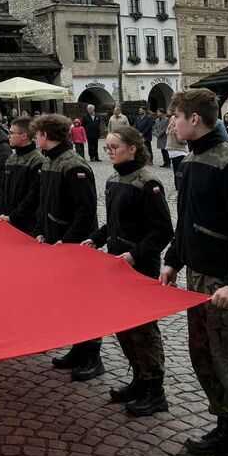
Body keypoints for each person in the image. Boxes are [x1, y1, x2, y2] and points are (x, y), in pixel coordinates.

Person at [160, 89, 228, 456]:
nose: (171, 123)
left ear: (195, 119)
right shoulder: (192, 162)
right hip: (197, 277)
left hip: (226, 282)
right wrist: (173, 259)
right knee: (204, 356)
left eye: (176, 116)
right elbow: (187, 219)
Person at [84, 125, 173, 417]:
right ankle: (138, 379)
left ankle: (154, 389)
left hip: (140, 266)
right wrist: (96, 239)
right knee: (124, 328)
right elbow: (114, 223)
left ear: (133, 148)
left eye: (114, 148)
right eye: (106, 148)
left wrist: (135, 255)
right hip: (117, 263)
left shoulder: (148, 183)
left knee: (143, 329)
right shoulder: (112, 179)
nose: (108, 152)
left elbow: (163, 231)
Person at [32, 113, 102, 381]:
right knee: (68, 301)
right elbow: (44, 202)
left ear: (46, 136)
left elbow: (85, 210)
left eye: (38, 134)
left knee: (84, 301)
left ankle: (92, 355)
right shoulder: (50, 161)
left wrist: (69, 240)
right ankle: (77, 347)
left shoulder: (74, 165)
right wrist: (40, 230)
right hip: (53, 241)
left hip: (74, 246)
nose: (36, 138)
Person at [0, 117, 45, 233]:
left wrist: (13, 217)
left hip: (26, 224)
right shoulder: (11, 158)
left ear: (23, 136)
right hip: (6, 221)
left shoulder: (37, 160)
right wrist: (0, 212)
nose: (9, 136)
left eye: (12, 133)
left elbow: (34, 195)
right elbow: (3, 189)